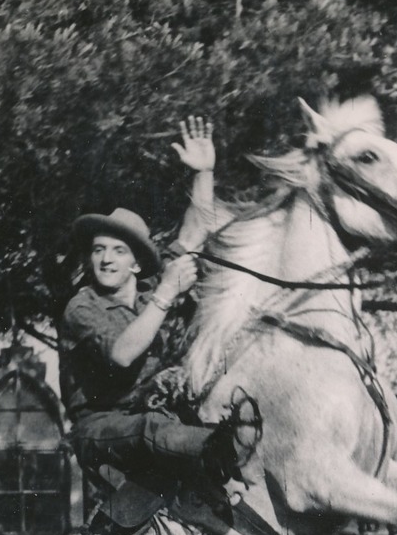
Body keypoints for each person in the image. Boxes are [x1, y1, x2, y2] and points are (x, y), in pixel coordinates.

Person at [59, 117, 260, 493]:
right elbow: (122, 353)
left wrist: (203, 173)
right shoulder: (80, 307)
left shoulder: (152, 288)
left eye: (118, 251)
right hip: (101, 430)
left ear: (136, 264)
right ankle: (224, 453)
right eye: (99, 250)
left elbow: (194, 232)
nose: (106, 259)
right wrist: (168, 294)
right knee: (152, 427)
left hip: (158, 421)